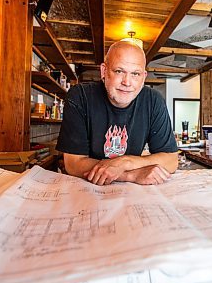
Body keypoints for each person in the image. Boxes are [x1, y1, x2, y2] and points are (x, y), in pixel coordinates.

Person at [56, 41, 178, 186]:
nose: (127, 82)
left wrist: (125, 162)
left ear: (144, 77)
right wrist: (130, 175)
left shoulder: (154, 101)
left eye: (135, 74)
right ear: (104, 71)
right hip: (87, 189)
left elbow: (171, 160)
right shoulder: (80, 96)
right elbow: (73, 163)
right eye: (119, 71)